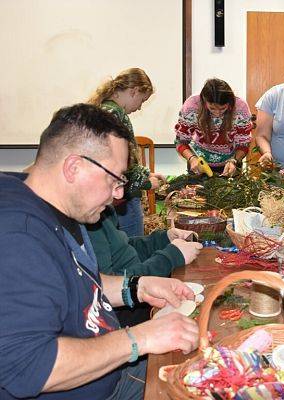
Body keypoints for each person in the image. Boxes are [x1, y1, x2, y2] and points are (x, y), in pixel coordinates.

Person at [0, 104, 199, 400]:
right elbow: (30, 367)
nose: (118, 194)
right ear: (73, 168)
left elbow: (77, 283)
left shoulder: (59, 207)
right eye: (114, 179)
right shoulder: (18, 238)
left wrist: (138, 286)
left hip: (111, 372)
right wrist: (140, 338)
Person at [87, 205, 203, 326]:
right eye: (115, 186)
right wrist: (171, 257)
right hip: (127, 315)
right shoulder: (89, 221)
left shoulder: (102, 210)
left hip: (138, 295)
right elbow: (107, 287)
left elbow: (123, 247)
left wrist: (163, 239)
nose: (119, 194)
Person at [88, 67, 165, 237]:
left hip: (114, 194)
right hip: (124, 199)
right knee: (132, 247)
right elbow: (117, 164)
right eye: (142, 101)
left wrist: (146, 174)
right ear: (134, 91)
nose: (139, 108)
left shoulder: (104, 109)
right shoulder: (116, 114)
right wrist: (145, 183)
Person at [174, 78, 253, 176]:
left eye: (223, 108)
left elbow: (244, 144)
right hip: (199, 162)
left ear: (230, 103)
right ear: (204, 101)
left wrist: (234, 160)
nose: (217, 113)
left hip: (230, 164)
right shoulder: (192, 105)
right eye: (212, 108)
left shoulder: (240, 107)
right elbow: (180, 141)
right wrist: (192, 158)